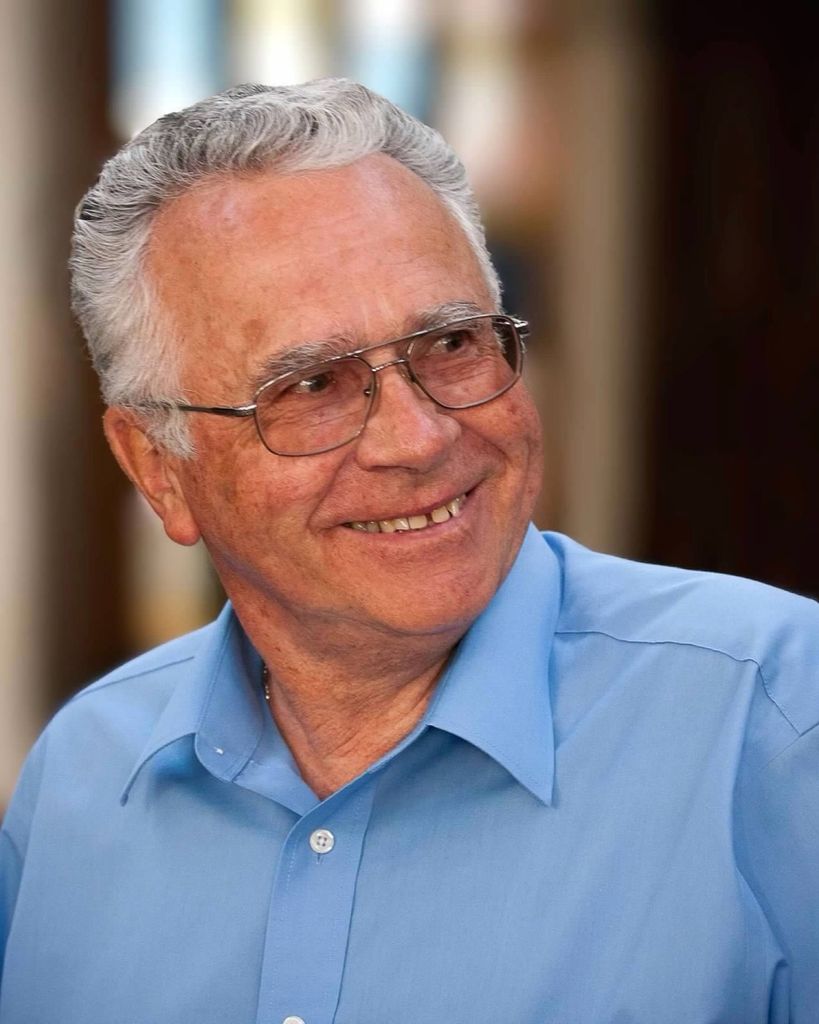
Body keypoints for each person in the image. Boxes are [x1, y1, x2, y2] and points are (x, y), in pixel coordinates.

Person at [0, 79, 816, 1024]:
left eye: (452, 342)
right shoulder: (82, 781)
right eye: (311, 385)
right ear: (159, 469)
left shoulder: (776, 714)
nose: (418, 438)